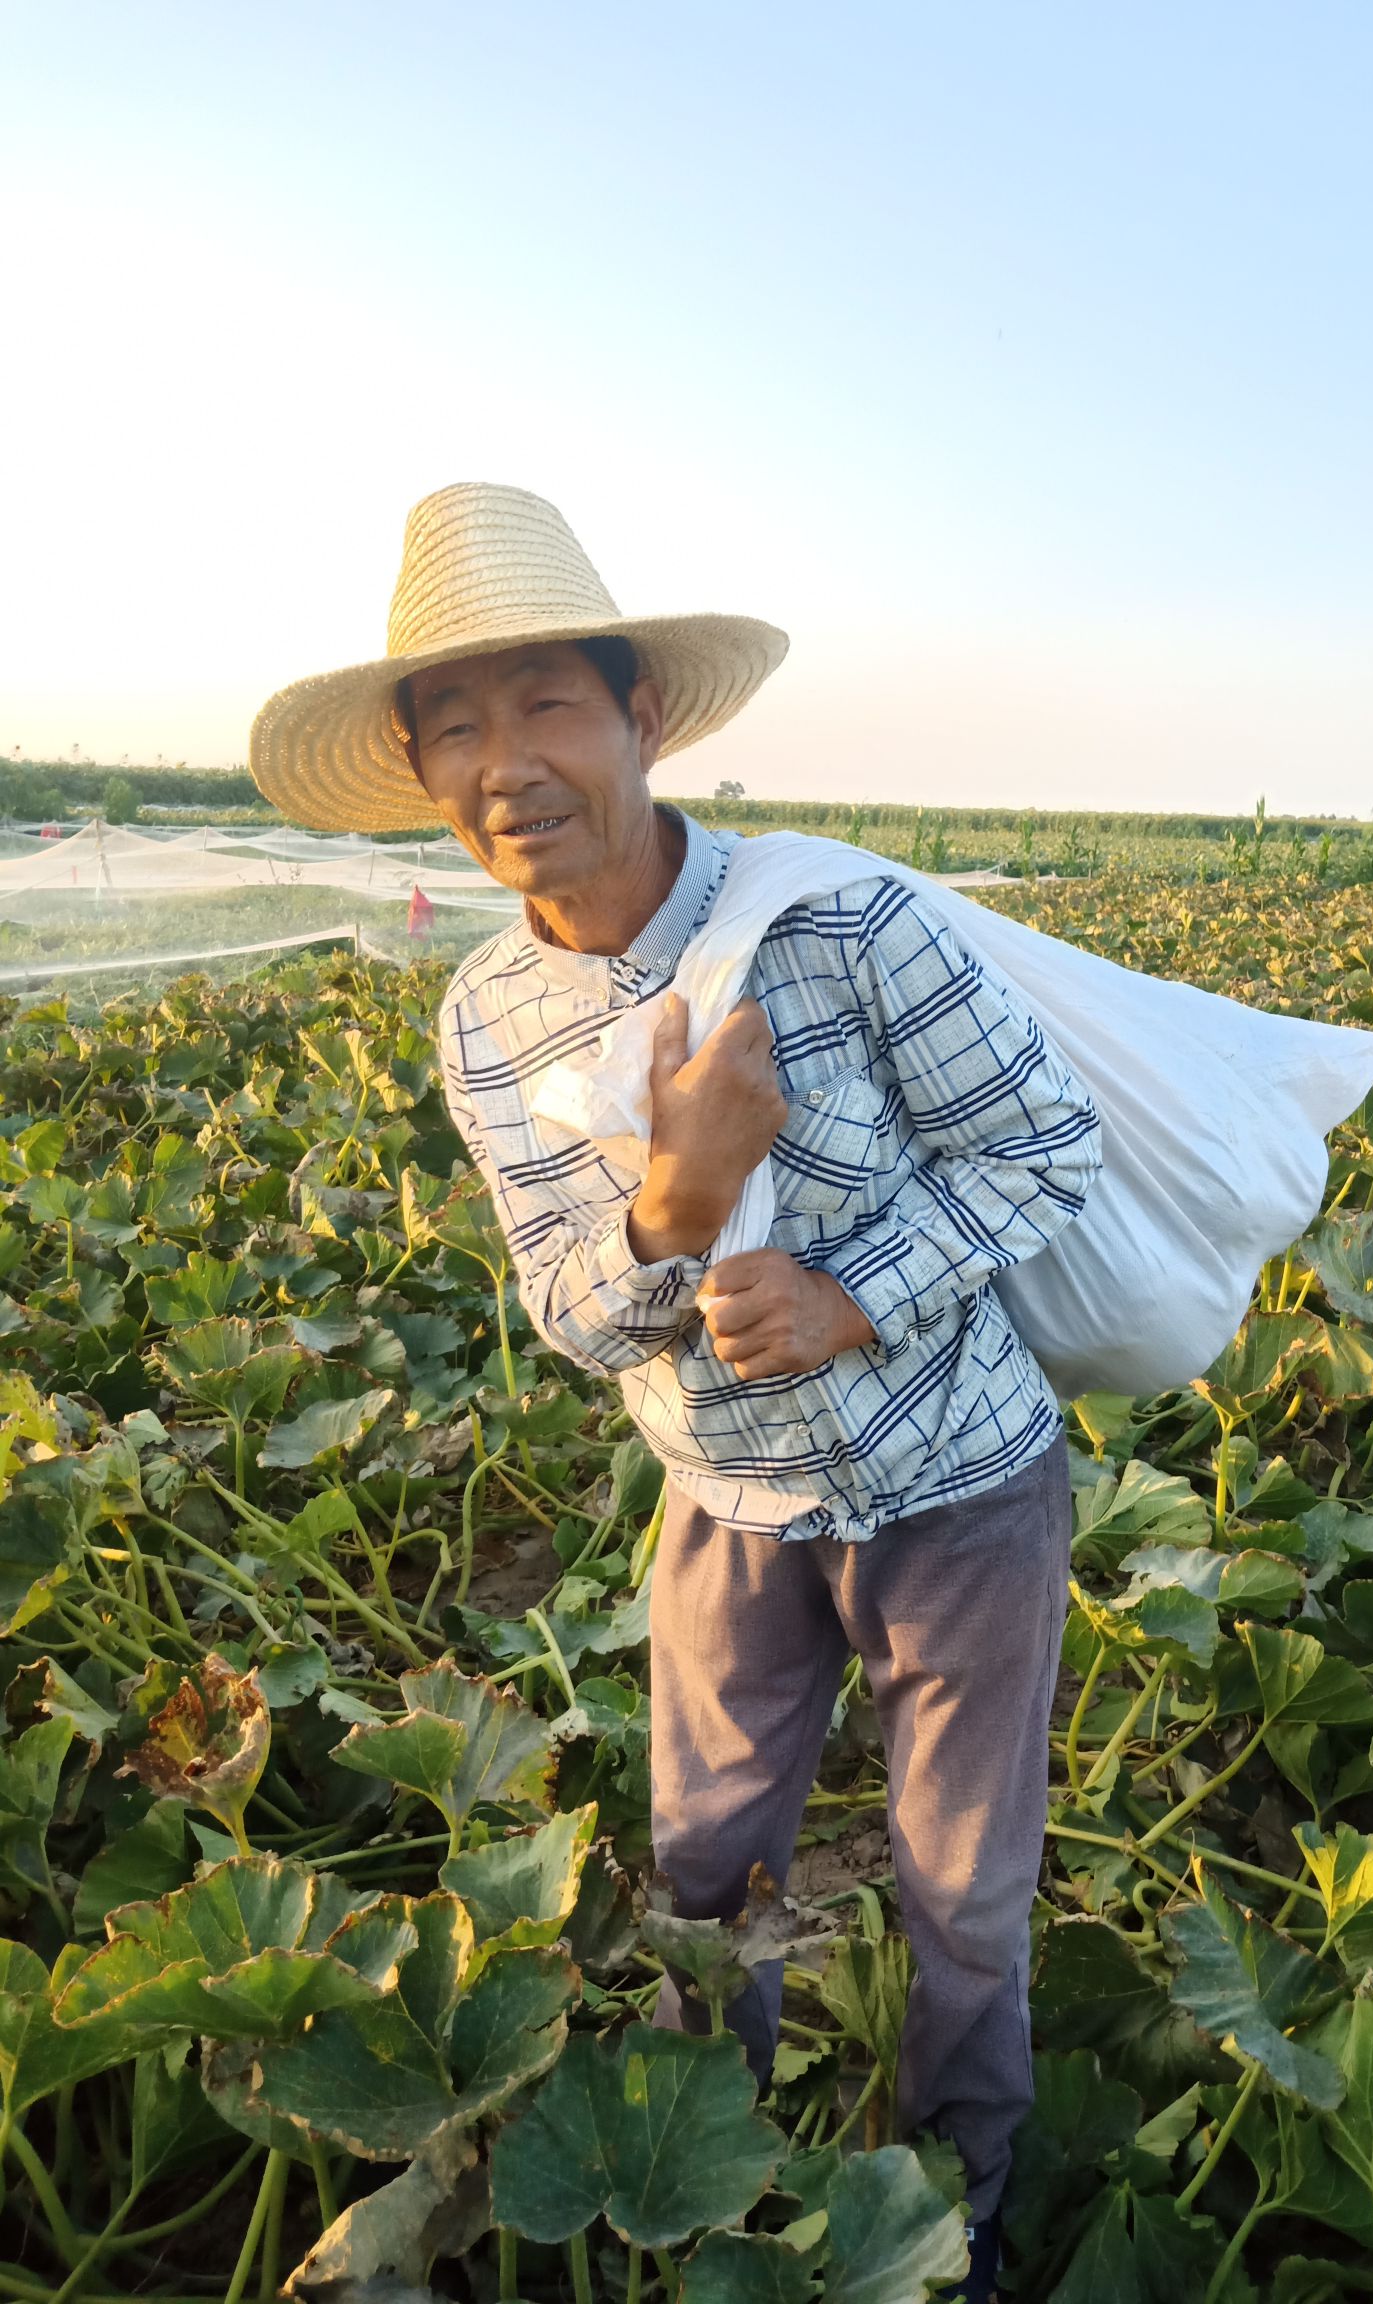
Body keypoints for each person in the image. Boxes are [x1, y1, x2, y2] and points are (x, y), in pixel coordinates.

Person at [250, 482, 1103, 2303]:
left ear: (644, 715)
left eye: (548, 703)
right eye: (456, 728)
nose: (508, 764)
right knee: (703, 1873)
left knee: (963, 1891)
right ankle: (698, 2171)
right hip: (725, 1506)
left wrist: (855, 1293)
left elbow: (1043, 1148)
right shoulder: (485, 1013)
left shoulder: (850, 922)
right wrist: (684, 1198)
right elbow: (575, 1307)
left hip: (960, 1483)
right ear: (417, 771)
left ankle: (974, 2203)